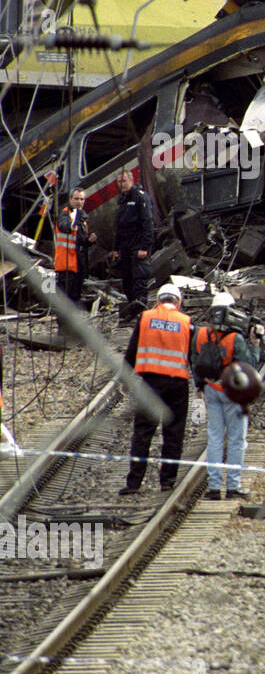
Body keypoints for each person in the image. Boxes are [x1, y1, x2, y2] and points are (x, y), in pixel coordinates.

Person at [120, 283, 191, 495]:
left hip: (150, 383)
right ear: (178, 302)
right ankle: (167, 481)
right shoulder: (186, 322)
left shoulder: (145, 318)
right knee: (173, 433)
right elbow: (192, 356)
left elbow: (132, 351)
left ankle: (134, 483)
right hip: (177, 384)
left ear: (158, 300)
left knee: (143, 432)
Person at [192, 292, 263, 500]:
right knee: (236, 439)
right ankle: (233, 485)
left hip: (211, 389)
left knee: (214, 437)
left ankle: (214, 487)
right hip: (233, 393)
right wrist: (255, 344)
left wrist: (200, 387)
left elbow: (195, 362)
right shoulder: (236, 338)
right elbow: (249, 366)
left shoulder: (201, 334)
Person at [106, 169, 153, 325]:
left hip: (137, 246)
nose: (122, 184)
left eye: (124, 181)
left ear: (131, 180)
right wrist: (116, 248)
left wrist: (144, 247)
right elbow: (119, 227)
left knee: (139, 282)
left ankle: (142, 315)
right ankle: (133, 312)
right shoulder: (122, 200)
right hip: (125, 248)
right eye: (119, 182)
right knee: (127, 282)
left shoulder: (140, 197)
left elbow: (148, 224)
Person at [53, 187, 96, 317]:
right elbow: (64, 225)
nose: (79, 202)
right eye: (76, 199)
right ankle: (64, 330)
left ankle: (71, 328)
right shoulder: (66, 214)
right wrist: (72, 226)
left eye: (82, 199)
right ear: (70, 199)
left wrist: (89, 241)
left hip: (77, 265)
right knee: (65, 300)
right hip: (66, 264)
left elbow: (79, 240)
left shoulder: (81, 217)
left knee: (74, 299)